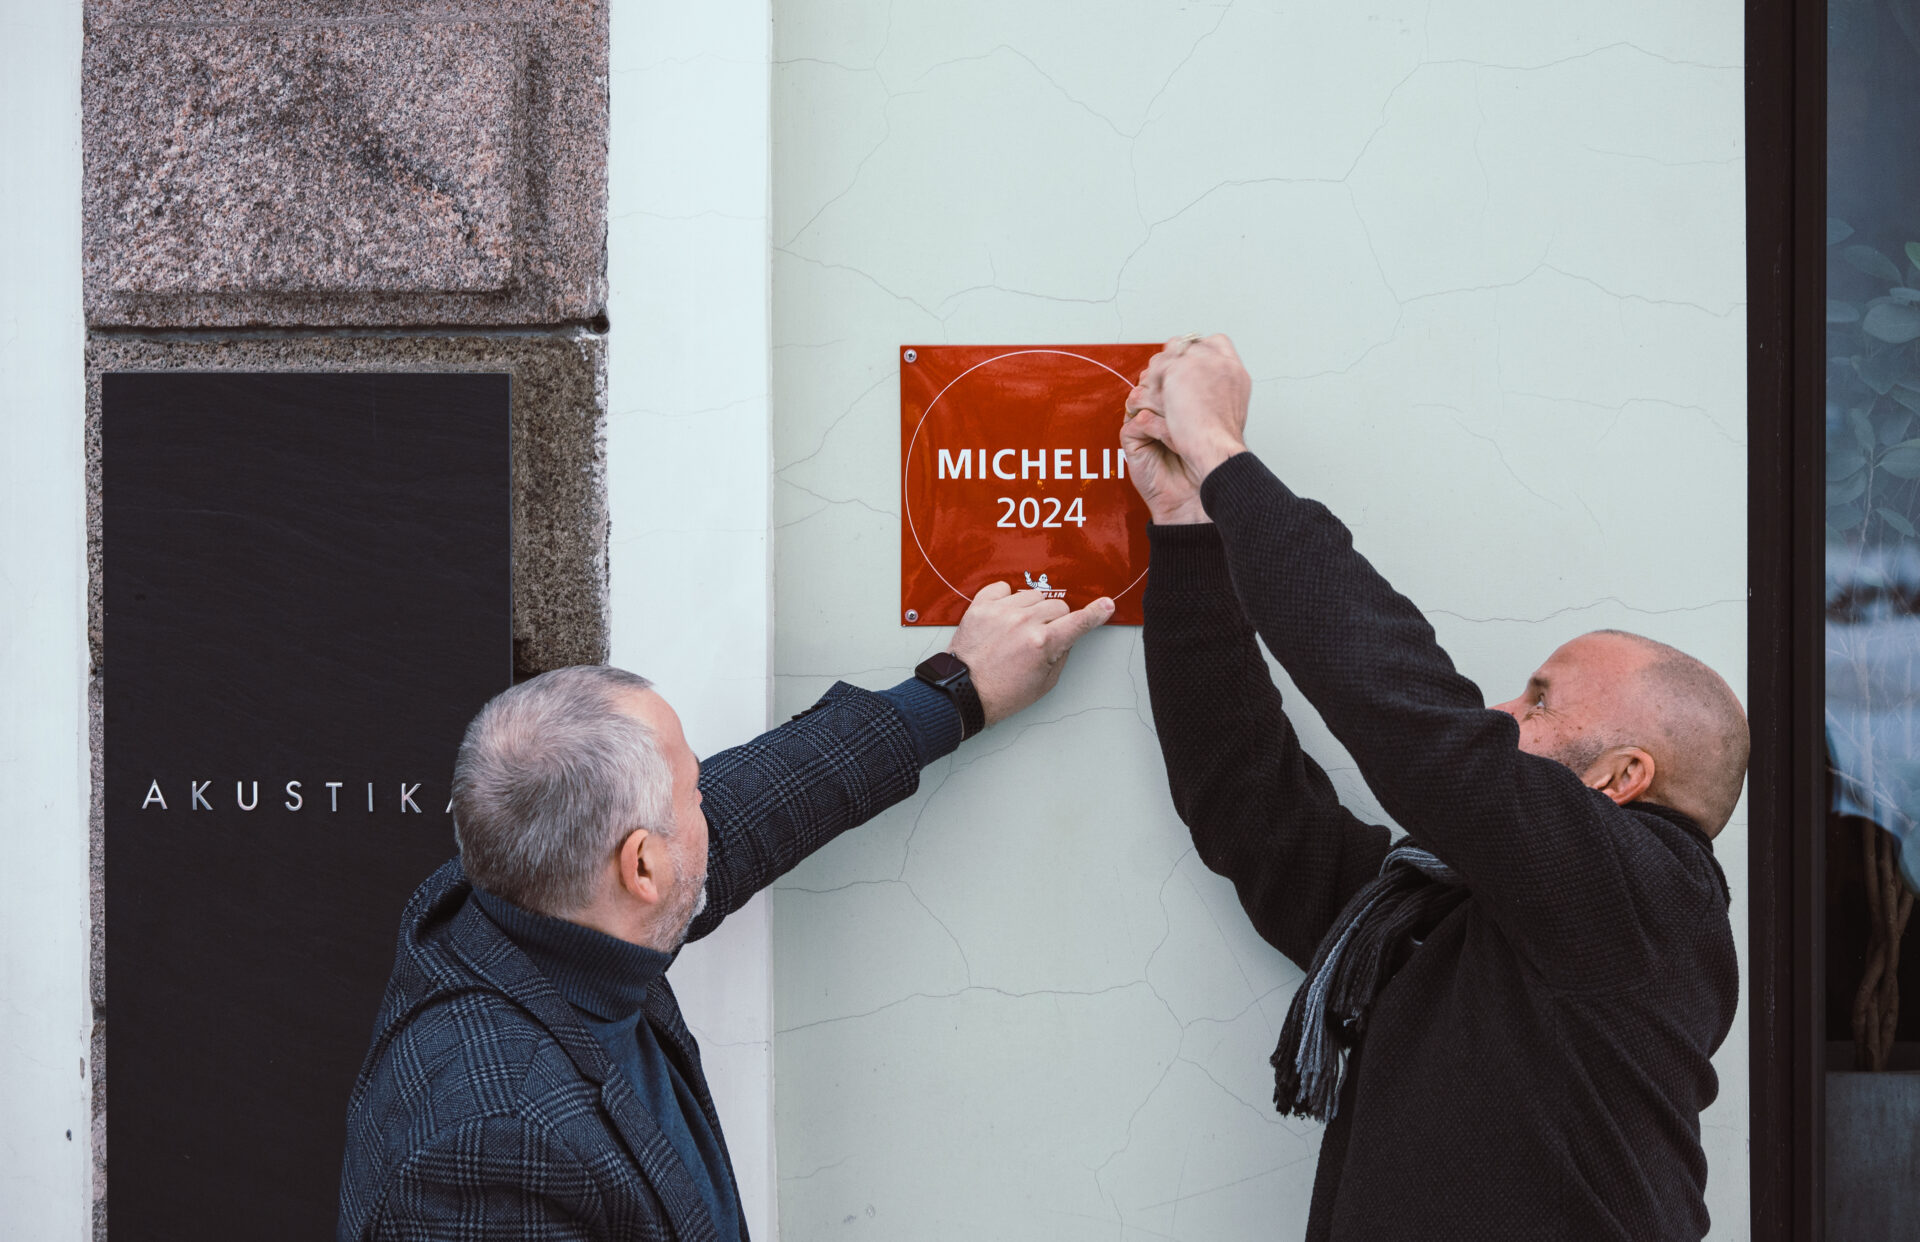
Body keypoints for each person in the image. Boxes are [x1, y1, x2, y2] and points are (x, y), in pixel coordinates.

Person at [1119, 334, 1747, 1242]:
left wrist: (1221, 452)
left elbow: (1415, 720)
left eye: (1538, 700)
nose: (1498, 712)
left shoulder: (1651, 898)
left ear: (1622, 778)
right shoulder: (1445, 920)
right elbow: (1249, 805)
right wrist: (1188, 524)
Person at [336, 584, 1113, 1241]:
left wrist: (955, 692)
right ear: (642, 867)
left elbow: (754, 809)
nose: (711, 806)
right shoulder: (489, 1145)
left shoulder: (532, 905)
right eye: (693, 793)